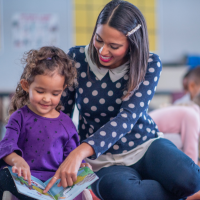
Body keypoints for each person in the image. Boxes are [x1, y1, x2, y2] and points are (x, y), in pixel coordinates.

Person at [44, 1, 200, 200]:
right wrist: (68, 153)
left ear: (132, 44)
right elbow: (62, 114)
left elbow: (127, 118)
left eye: (114, 46)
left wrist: (79, 152)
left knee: (191, 180)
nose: (103, 51)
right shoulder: (76, 58)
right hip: (102, 160)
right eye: (98, 40)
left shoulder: (150, 63)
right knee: (128, 194)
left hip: (145, 145)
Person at [0, 46, 92, 200]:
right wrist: (17, 160)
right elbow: (6, 145)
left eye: (55, 93)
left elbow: (72, 156)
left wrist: (81, 165)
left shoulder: (66, 123)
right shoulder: (19, 117)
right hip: (26, 180)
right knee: (3, 176)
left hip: (56, 181)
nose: (47, 99)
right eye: (40, 91)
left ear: (63, 90)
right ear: (26, 85)